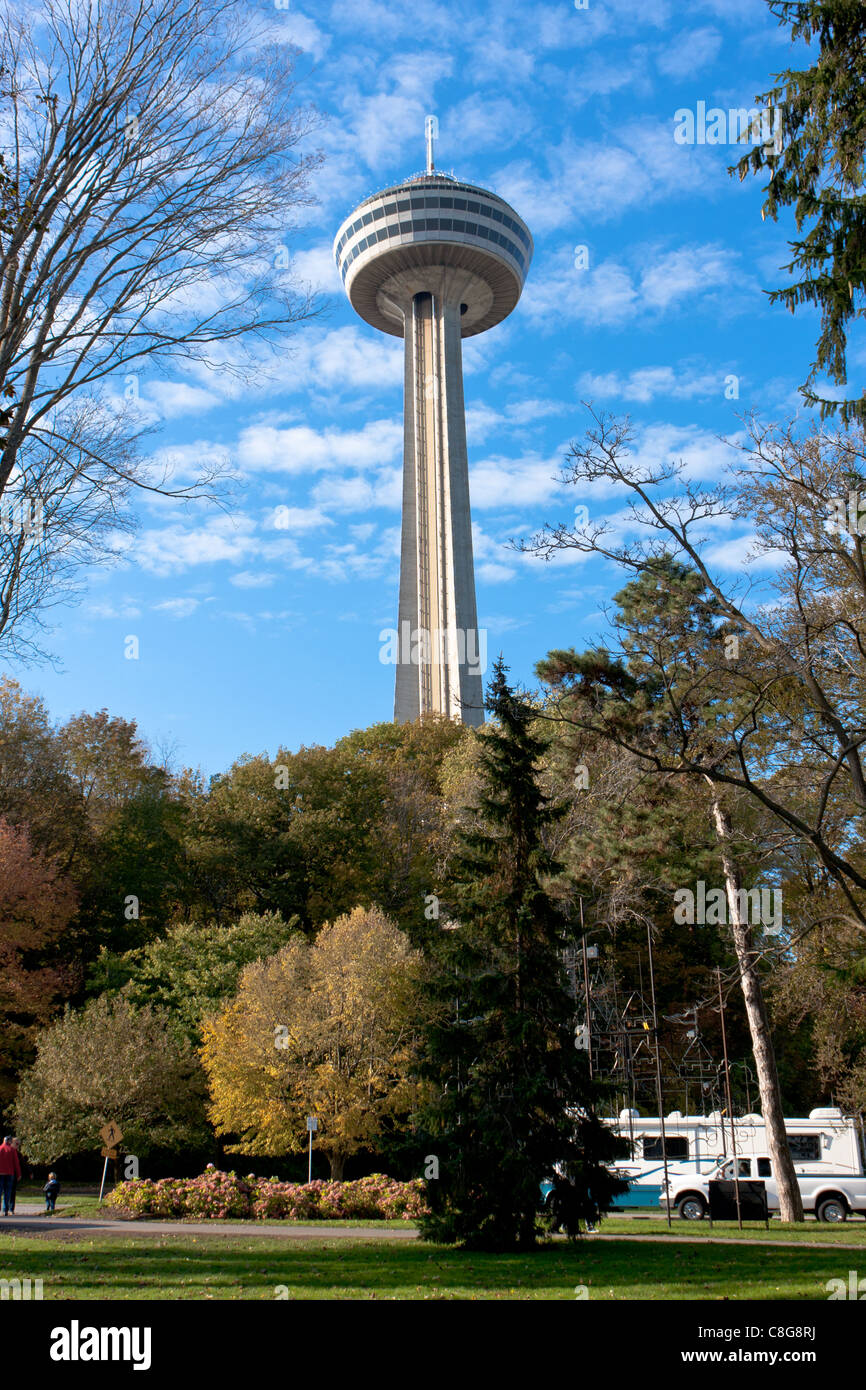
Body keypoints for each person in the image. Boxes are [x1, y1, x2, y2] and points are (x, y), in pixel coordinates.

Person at [0, 1137, 21, 1216]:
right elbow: (16, 1163)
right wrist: (18, 1174)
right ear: (9, 1141)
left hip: (0, 1173)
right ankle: (5, 1210)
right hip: (9, 1173)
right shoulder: (12, 1150)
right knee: (7, 1192)